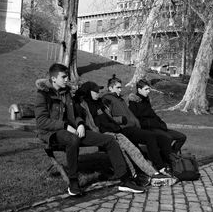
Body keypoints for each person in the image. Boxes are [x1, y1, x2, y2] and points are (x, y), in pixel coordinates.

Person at [34, 64, 144, 196]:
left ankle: (125, 180)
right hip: (51, 134)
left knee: (109, 140)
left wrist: (80, 123)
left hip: (71, 130)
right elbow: (41, 121)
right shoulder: (43, 95)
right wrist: (64, 126)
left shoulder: (67, 93)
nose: (67, 79)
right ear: (53, 79)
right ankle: (73, 182)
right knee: (73, 139)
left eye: (67, 76)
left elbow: (76, 114)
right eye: (63, 77)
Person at [75, 81, 177, 186]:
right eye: (95, 91)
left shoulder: (100, 103)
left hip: (114, 129)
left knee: (133, 149)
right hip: (102, 133)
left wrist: (119, 121)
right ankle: (136, 175)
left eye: (99, 90)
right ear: (88, 92)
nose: (98, 93)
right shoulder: (84, 105)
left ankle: (153, 173)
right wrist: (81, 125)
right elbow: (81, 118)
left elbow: (108, 118)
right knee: (123, 148)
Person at [102, 74, 174, 177]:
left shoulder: (120, 99)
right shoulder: (107, 99)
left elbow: (130, 114)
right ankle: (160, 167)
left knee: (160, 137)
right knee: (150, 136)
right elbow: (107, 117)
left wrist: (136, 123)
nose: (120, 90)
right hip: (123, 129)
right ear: (110, 88)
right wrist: (121, 120)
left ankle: (168, 163)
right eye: (117, 88)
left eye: (120, 87)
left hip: (133, 127)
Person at [128, 79, 187, 154]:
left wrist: (161, 123)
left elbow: (153, 114)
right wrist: (155, 124)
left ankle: (171, 154)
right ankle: (167, 157)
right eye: (146, 89)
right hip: (149, 129)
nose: (148, 91)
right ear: (139, 90)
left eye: (149, 89)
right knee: (168, 138)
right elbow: (137, 121)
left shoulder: (146, 100)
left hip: (158, 127)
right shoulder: (133, 103)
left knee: (182, 137)